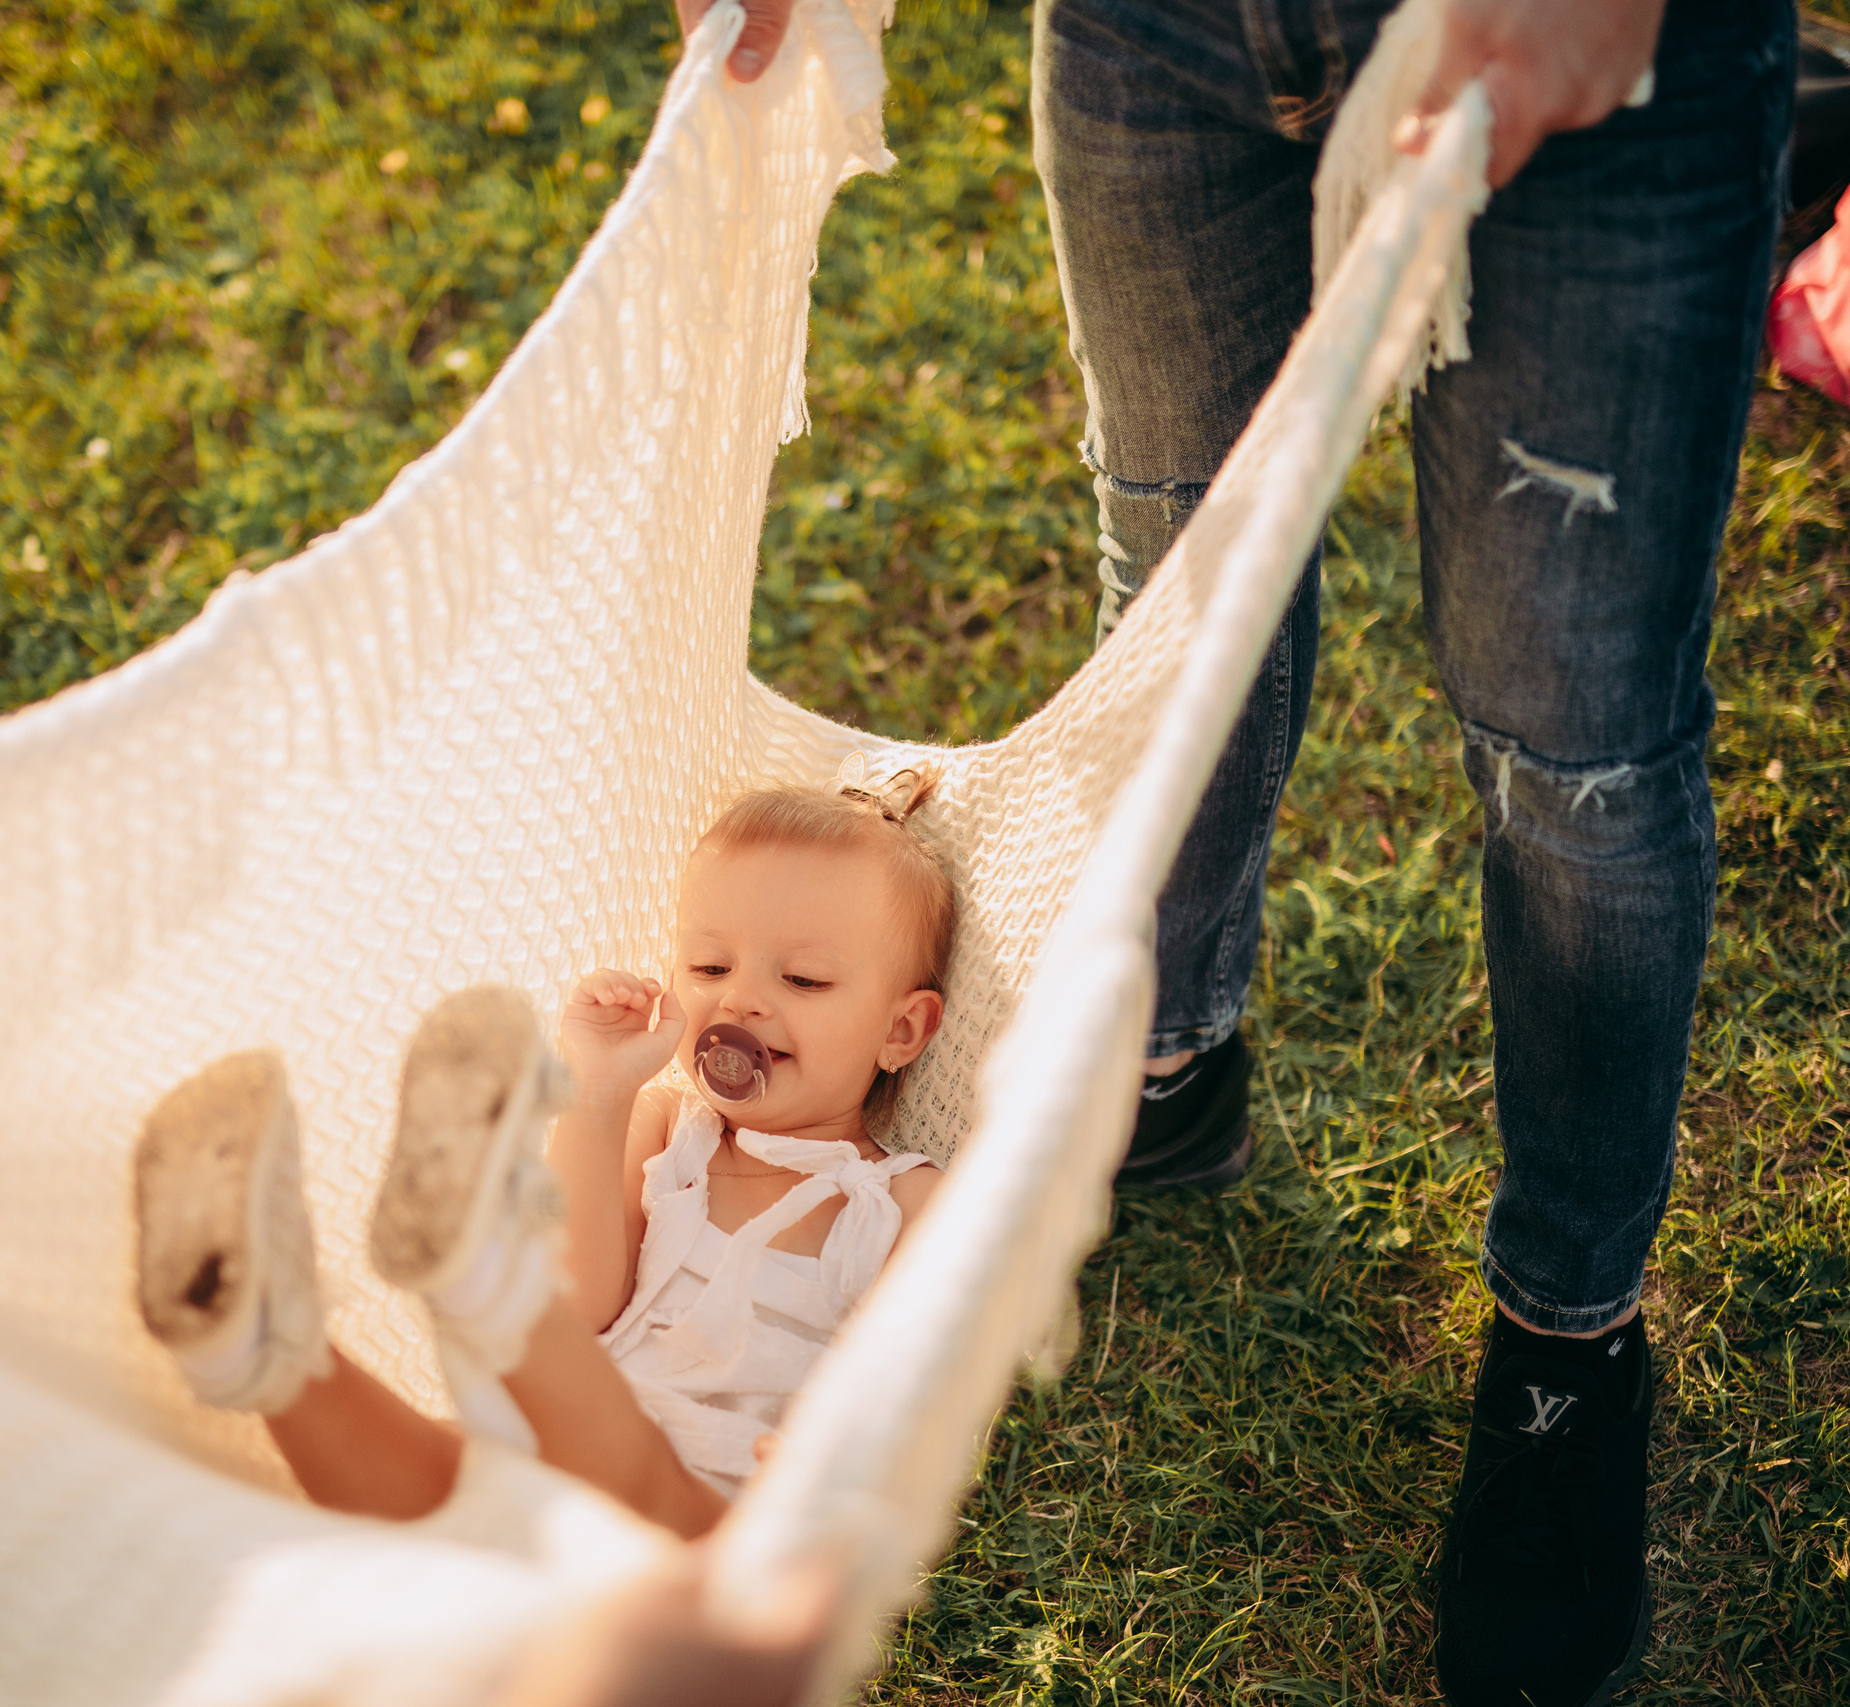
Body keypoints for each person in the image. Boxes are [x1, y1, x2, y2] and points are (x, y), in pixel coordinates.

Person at [688, 0, 1790, 1700]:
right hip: (1157, 31)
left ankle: (1570, 1332)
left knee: (1570, 738)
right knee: (1182, 591)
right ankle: (1178, 1063)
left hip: (1576, 48)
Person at [133, 765, 950, 1541]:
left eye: (803, 980)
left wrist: (830, 1456)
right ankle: (263, 1341)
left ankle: (475, 1274)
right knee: (438, 1475)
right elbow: (579, 1296)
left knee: (605, 1477)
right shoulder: (672, 1132)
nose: (740, 999)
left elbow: (902, 1372)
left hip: (720, 1520)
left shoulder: (905, 1199)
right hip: (552, 1441)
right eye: (708, 966)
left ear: (900, 1030)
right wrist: (599, 1092)